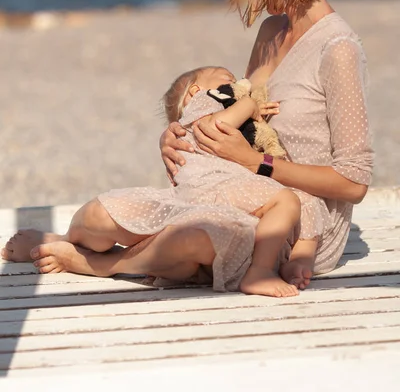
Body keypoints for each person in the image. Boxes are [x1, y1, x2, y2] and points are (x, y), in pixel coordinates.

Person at [160, 0, 374, 288]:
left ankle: (98, 263)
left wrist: (257, 163)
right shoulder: (270, 33)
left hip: (306, 228)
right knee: (168, 217)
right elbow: (244, 122)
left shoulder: (337, 48)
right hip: (251, 192)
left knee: (184, 235)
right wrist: (178, 136)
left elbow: (354, 183)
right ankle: (91, 250)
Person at [1, 64, 330, 297]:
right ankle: (67, 239)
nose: (239, 83)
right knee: (101, 214)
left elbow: (306, 223)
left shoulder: (256, 150)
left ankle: (96, 263)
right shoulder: (211, 106)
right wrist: (249, 103)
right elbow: (219, 125)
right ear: (197, 94)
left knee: (199, 237)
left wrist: (298, 263)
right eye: (228, 79)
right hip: (192, 201)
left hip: (232, 223)